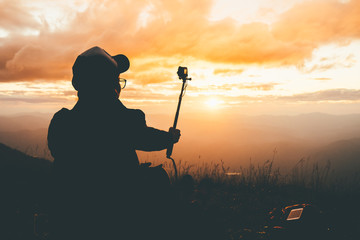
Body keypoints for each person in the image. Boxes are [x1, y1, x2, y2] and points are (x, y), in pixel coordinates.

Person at [47, 46, 180, 240]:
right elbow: (144, 137)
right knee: (157, 178)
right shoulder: (123, 119)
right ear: (108, 84)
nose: (119, 84)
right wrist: (169, 138)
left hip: (71, 217)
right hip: (115, 214)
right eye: (116, 79)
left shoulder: (62, 122)